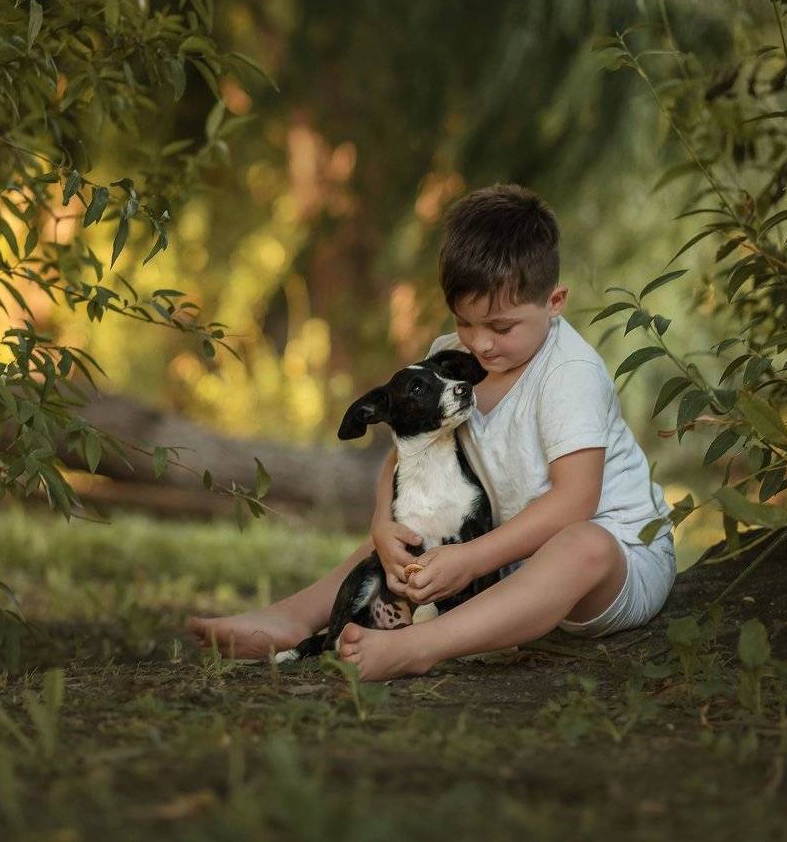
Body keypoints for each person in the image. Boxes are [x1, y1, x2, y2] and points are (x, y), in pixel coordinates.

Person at [187, 184, 675, 681]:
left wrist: (471, 559)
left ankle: (420, 646)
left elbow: (575, 502)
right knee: (409, 531)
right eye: (465, 322)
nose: (481, 344)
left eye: (501, 327)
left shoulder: (569, 373)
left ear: (555, 301)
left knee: (583, 544)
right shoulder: (449, 360)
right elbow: (410, 450)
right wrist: (382, 523)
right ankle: (294, 618)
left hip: (616, 562)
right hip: (508, 558)